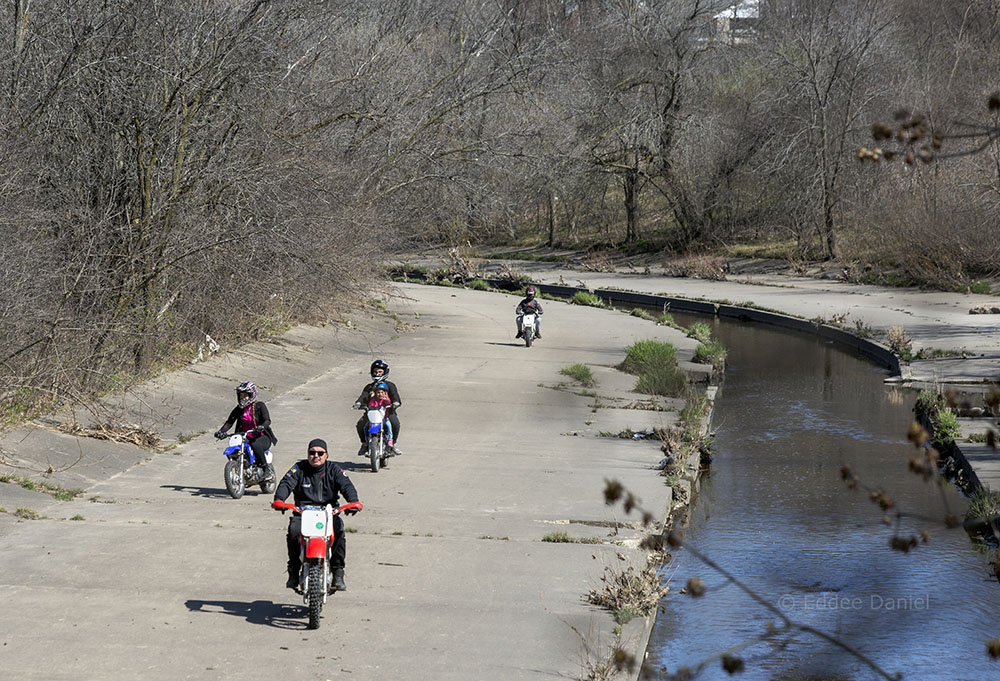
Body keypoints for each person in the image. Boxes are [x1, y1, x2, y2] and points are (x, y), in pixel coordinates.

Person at [271, 438, 360, 592]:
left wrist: (353, 502)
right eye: (312, 453)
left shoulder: (334, 469)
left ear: (326, 455)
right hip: (303, 512)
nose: (316, 456)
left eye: (320, 453)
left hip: (329, 512)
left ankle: (338, 572)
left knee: (338, 531)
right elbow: (286, 483)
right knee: (293, 531)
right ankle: (293, 570)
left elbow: (347, 486)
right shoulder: (298, 469)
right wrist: (279, 500)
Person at [214, 381, 277, 479]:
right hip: (244, 436)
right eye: (241, 395)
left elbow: (267, 420)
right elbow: (229, 422)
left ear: (252, 395)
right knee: (234, 447)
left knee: (255, 445)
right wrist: (221, 432)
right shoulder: (238, 409)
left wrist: (262, 427)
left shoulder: (260, 406)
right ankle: (241, 466)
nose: (243, 397)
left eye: (245, 395)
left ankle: (266, 469)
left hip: (262, 436)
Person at [354, 359, 402, 456]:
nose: (377, 374)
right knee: (360, 424)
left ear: (385, 372)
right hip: (372, 412)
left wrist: (395, 403)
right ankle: (364, 444)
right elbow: (363, 396)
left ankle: (393, 444)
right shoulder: (369, 387)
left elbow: (395, 396)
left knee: (395, 423)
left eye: (380, 372)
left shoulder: (390, 385)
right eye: (375, 371)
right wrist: (358, 403)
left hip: (387, 412)